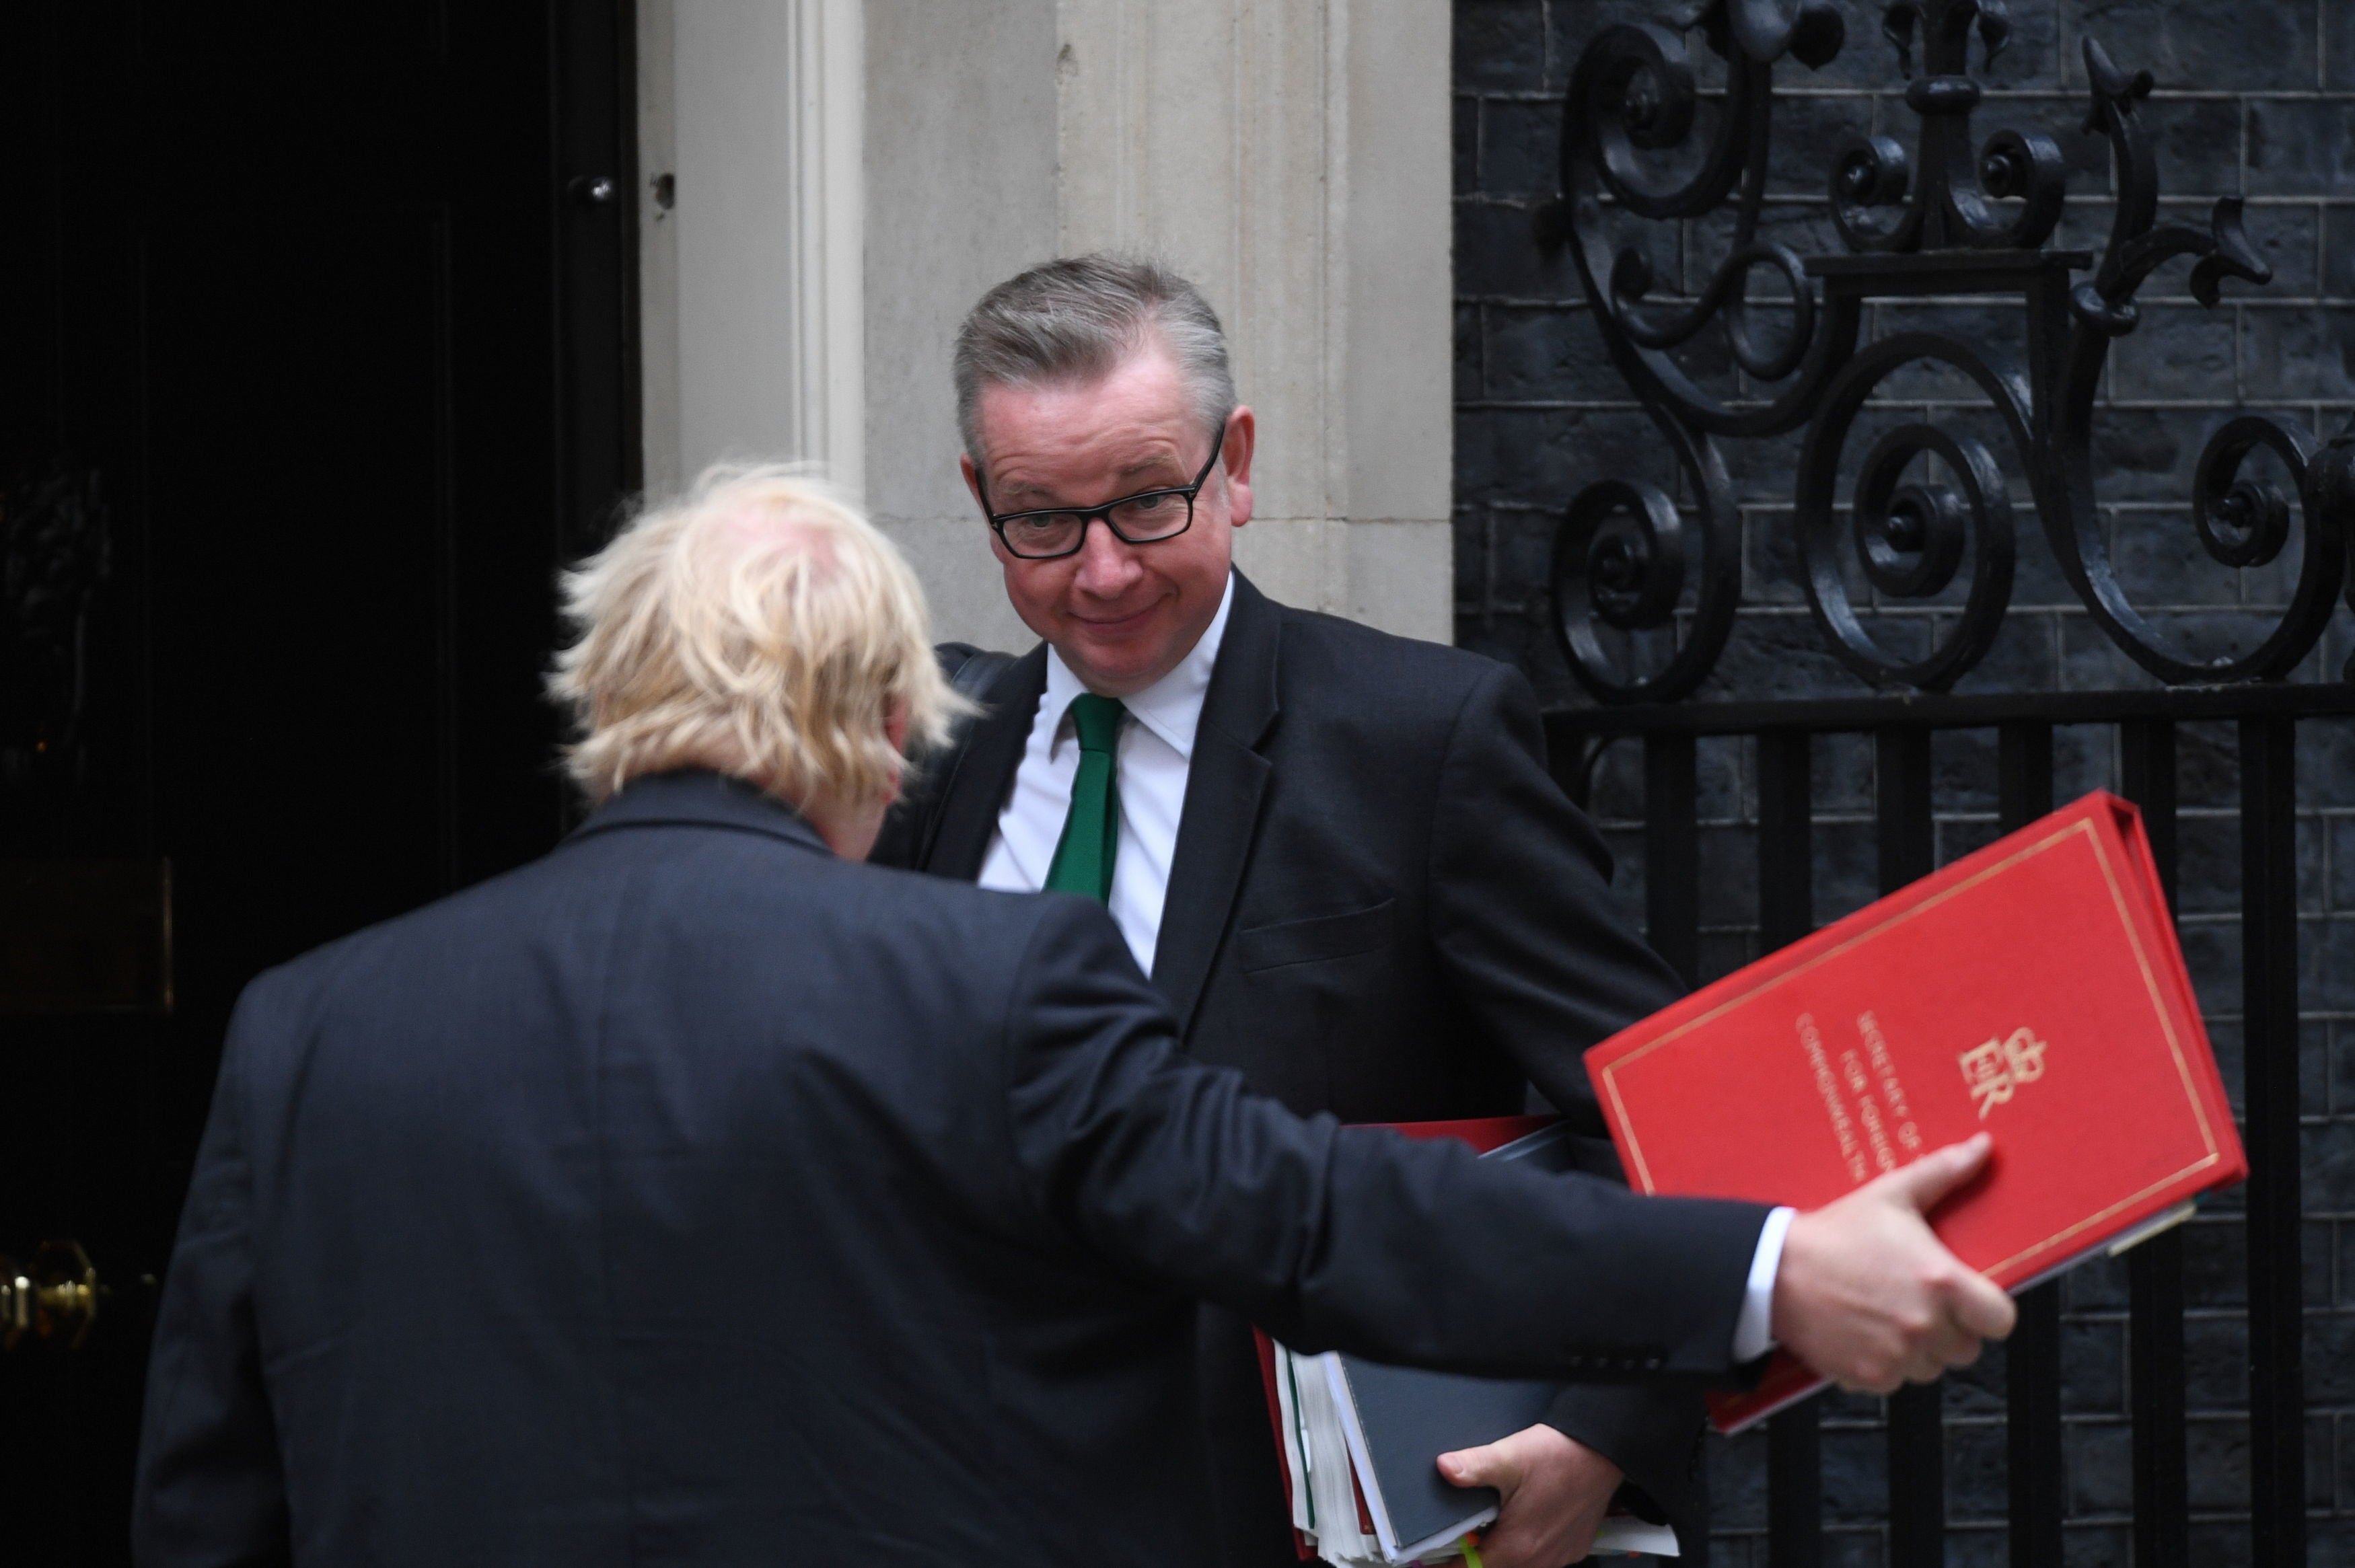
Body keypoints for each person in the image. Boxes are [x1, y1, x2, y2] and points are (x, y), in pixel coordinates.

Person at [131, 465, 2009, 1567]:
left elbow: (207, 1503)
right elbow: (1324, 1220)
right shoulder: (993, 974)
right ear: (883, 725)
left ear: (602, 705)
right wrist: (1768, 1272)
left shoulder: (309, 1029)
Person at [869, 254, 1730, 1565]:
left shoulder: (1418, 739)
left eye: (1148, 503)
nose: (1099, 572)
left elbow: (1669, 1106)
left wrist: (1600, 1426)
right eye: (1042, 520)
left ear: (1239, 463)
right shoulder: (928, 754)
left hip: (1317, 1518)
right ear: (982, 498)